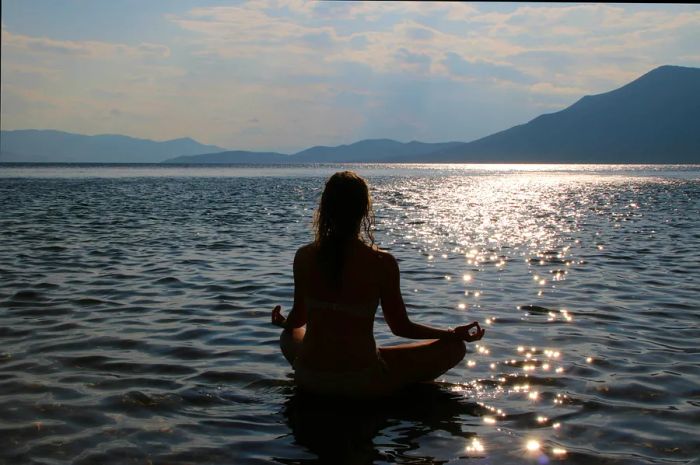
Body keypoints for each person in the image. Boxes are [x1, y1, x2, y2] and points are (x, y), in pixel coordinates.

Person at [272, 171, 485, 397]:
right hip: (360, 381)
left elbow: (298, 319)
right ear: (364, 210)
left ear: (325, 209)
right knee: (455, 347)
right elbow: (401, 327)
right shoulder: (382, 263)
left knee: (289, 334)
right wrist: (452, 333)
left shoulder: (304, 256)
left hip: (309, 376)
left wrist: (283, 322)